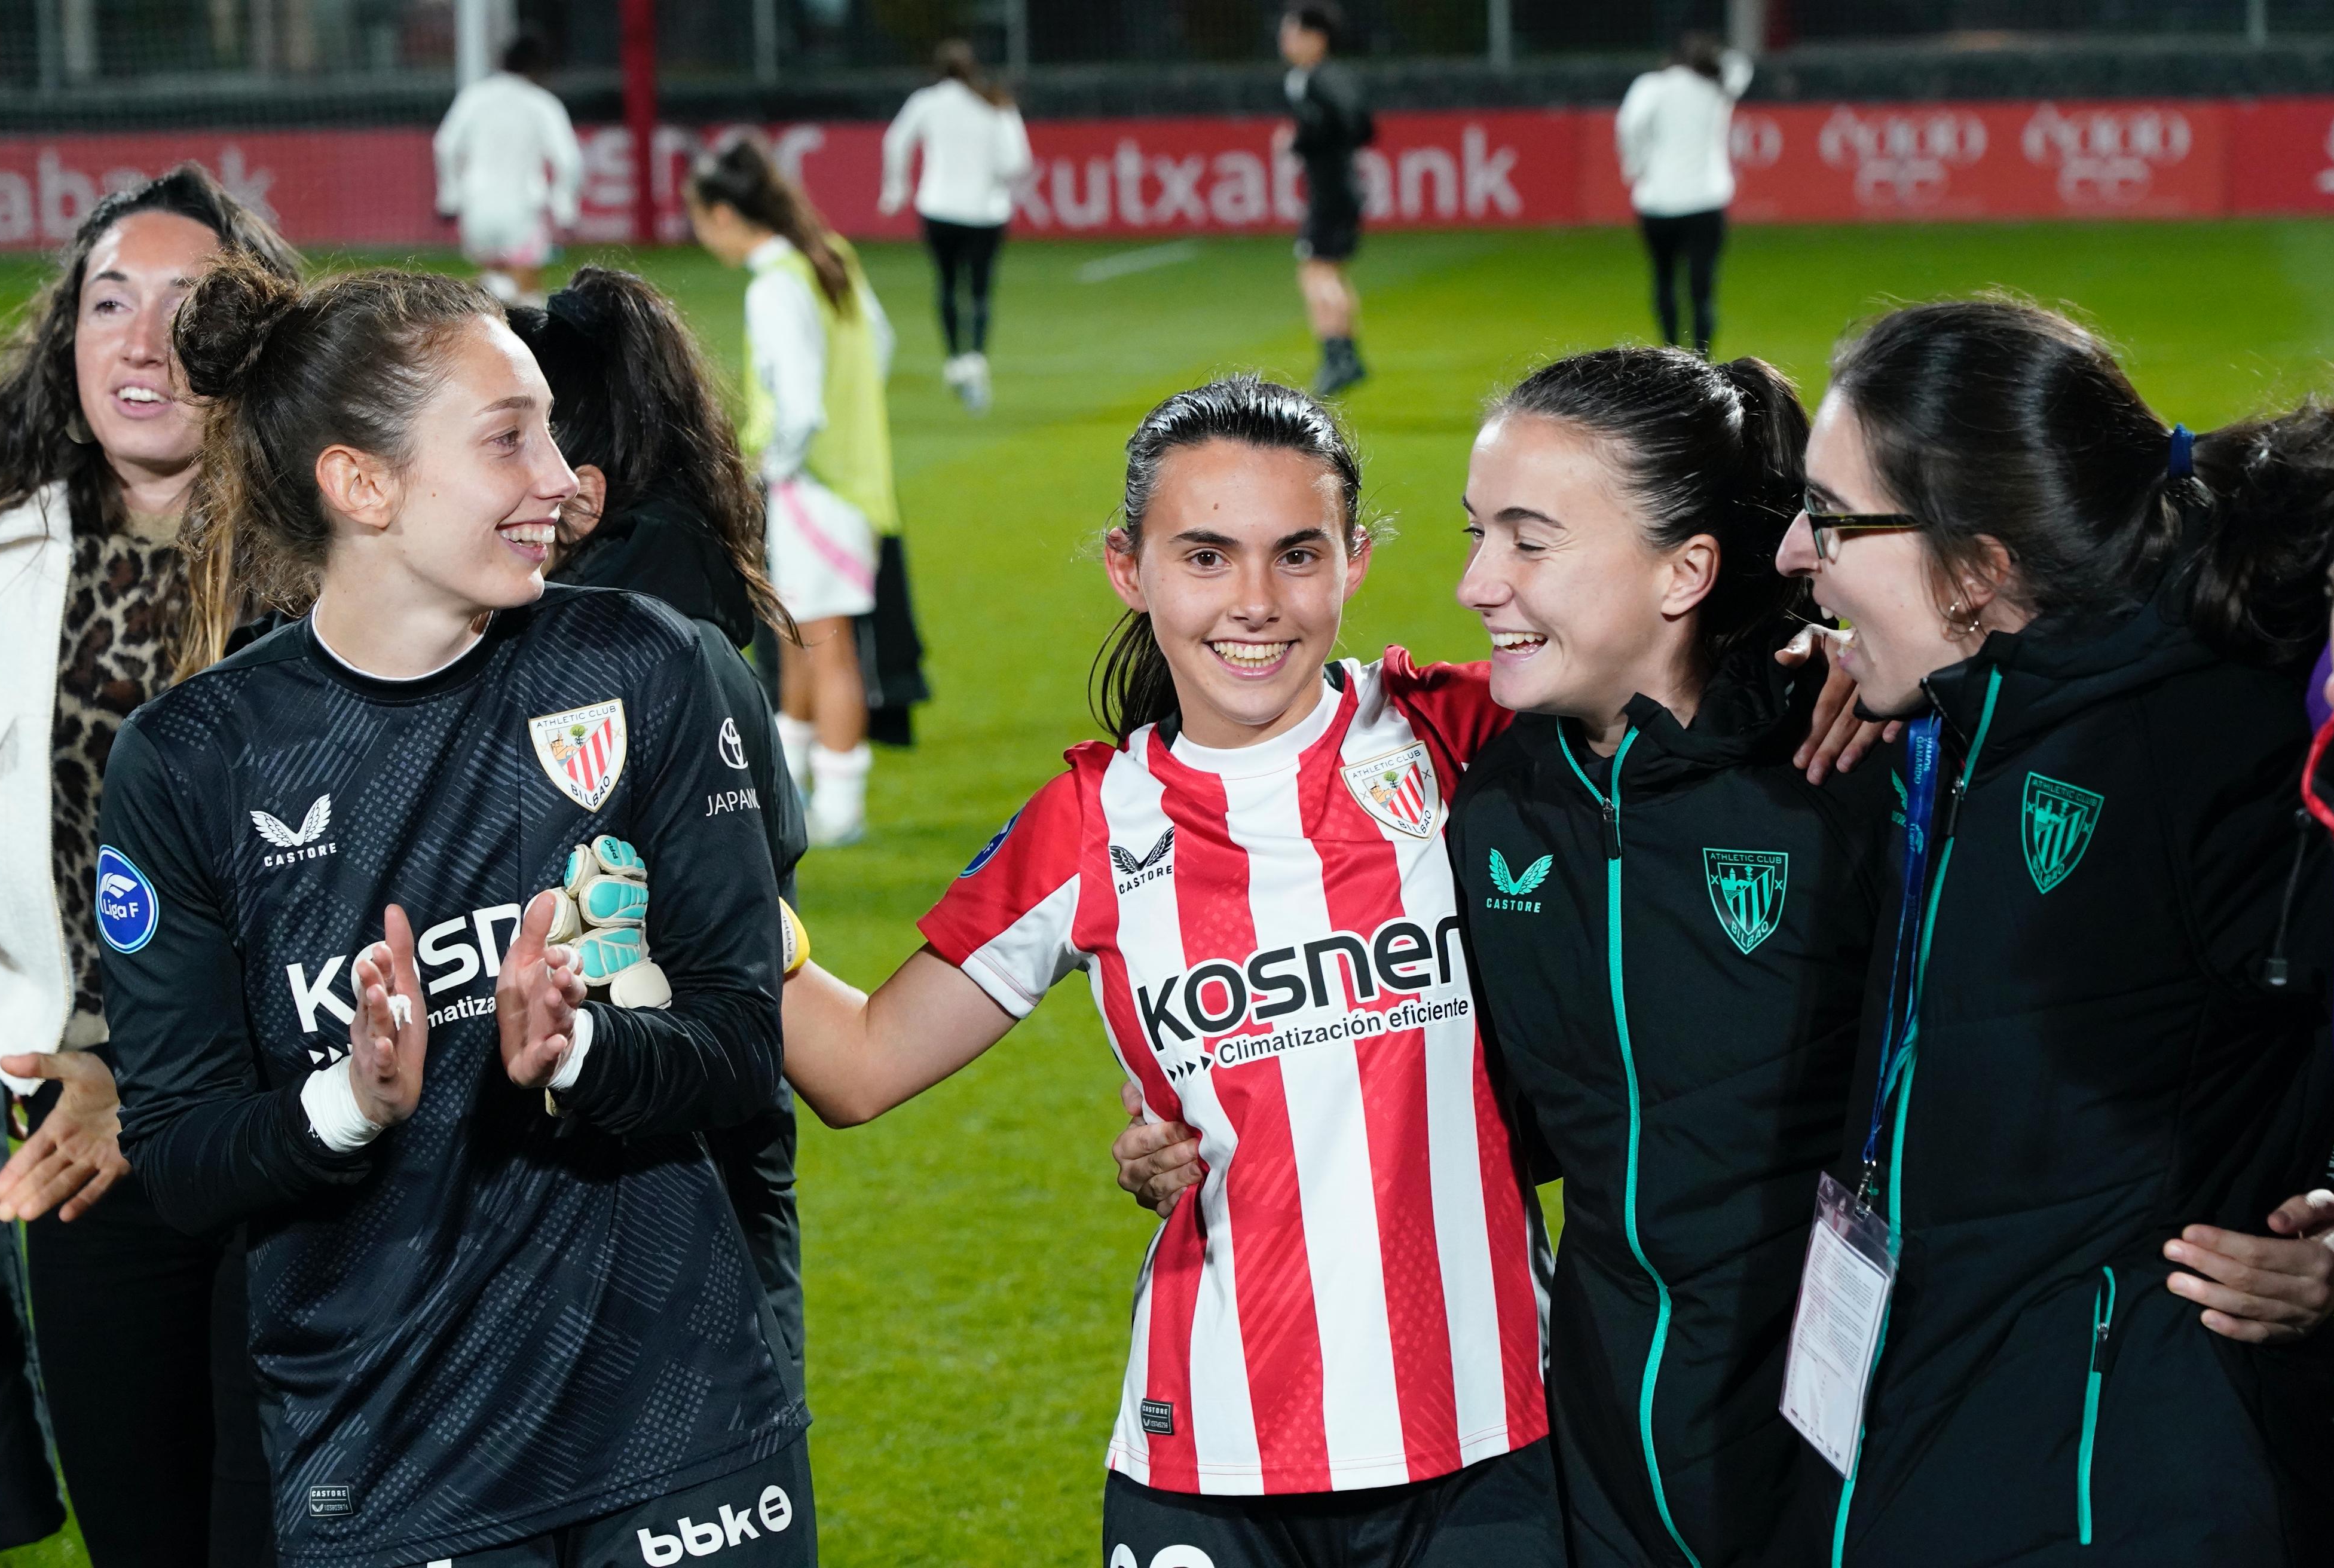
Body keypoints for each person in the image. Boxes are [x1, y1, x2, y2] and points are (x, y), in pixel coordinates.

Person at [1117, 348, 1895, 1567]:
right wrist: (1218, 1121)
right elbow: (1487, 1106)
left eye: (1530, 542)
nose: (1478, 582)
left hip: (1842, 1437)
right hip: (1595, 1440)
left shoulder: (1851, 771)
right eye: (1482, 533)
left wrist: (2317, 1207)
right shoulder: (1492, 802)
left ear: (1687, 568)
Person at [779, 376, 1567, 1568]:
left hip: (1489, 1443)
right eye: (1205, 556)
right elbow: (857, 1064)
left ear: (1354, 562)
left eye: (1296, 554)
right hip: (1209, 1459)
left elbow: (1675, 699)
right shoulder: (1087, 822)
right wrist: (703, 877)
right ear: (1128, 570)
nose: (1255, 603)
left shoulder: (1463, 736)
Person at [103, 261, 812, 1566]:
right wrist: (351, 1101)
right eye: (507, 439)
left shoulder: (647, 666)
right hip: (388, 1455)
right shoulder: (196, 758)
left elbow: (739, 1047)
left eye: (548, 426)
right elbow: (189, 1156)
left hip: (675, 1421)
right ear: (362, 485)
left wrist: (583, 1052)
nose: (561, 476)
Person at [1775, 298, 2334, 1564]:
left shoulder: (2215, 746)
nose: (1788, 556)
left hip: (2122, 1496)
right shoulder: (1949, 721)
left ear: (1980, 569)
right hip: (1940, 1444)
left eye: (1828, 517)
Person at [0, 163, 296, 1567]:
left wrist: (160, 1076)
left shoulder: (330, 558)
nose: (142, 336)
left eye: (189, 304)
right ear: (65, 336)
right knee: (147, 1530)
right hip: (78, 1145)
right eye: (108, 300)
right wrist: (71, 1055)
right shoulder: (6, 558)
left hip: (304, 1135)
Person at [506, 264, 811, 1381]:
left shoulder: (641, 654)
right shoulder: (672, 606)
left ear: (576, 492)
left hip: (673, 1153)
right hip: (670, 1141)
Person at [689, 136, 898, 848]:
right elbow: (882, 341)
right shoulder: (827, 255)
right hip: (853, 479)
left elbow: (801, 406)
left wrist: (767, 470)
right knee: (803, 637)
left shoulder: (774, 284)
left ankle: (840, 806)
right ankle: (795, 786)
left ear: (723, 214)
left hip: (815, 486)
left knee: (826, 644)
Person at [880, 38, 1031, 415]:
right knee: (980, 287)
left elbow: (896, 139)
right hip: (985, 211)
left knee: (947, 282)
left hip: (939, 207)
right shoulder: (995, 103)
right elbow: (1016, 161)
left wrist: (896, 187)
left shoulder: (927, 102)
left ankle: (952, 360)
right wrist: (989, 175)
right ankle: (975, 358)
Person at [1616, 32, 1751, 359]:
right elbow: (1741, 67)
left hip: (1657, 201)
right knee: (1702, 289)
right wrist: (1714, 58)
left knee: (1664, 279)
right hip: (1704, 201)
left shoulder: (1651, 86)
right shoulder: (1715, 88)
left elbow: (1628, 125)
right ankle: (1702, 360)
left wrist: (1636, 166)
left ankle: (1671, 354)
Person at [433, 29, 583, 308]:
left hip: (477, 208)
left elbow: (446, 145)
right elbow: (569, 160)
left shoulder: (474, 97)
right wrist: (565, 208)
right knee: (528, 296)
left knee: (493, 287)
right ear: (539, 65)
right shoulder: (541, 104)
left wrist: (449, 197)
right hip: (521, 210)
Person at [1280, 5, 1374, 400]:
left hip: (1332, 193)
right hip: (1342, 189)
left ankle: (1338, 357)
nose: (1285, 41)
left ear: (1314, 37)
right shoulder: (1332, 77)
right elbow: (1361, 126)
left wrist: (1300, 140)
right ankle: (1348, 356)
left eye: (1291, 33)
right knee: (1329, 271)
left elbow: (1348, 123)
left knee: (1314, 272)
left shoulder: (1313, 79)